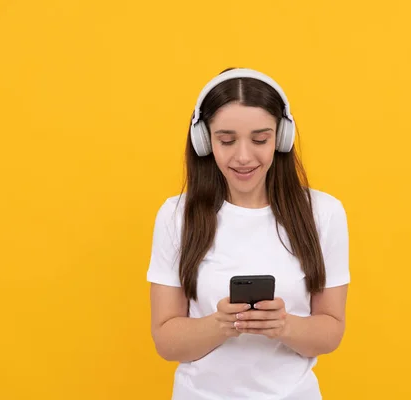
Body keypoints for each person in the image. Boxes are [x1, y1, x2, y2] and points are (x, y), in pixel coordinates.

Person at [147, 67, 350, 400]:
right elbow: (166, 341)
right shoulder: (177, 215)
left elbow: (330, 332)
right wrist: (222, 324)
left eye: (260, 139)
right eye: (226, 140)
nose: (243, 157)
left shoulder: (323, 213)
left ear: (281, 137)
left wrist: (283, 325)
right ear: (204, 141)